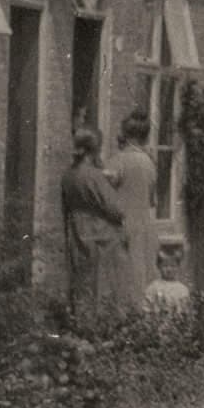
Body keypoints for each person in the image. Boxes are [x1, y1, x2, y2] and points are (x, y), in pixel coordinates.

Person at [59, 127, 123, 329]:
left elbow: (64, 207)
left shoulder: (68, 175)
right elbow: (116, 209)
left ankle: (80, 323)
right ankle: (100, 328)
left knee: (81, 279)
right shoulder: (94, 175)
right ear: (94, 150)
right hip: (99, 232)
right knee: (102, 282)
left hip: (76, 228)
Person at [105, 111, 160, 312]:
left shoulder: (118, 161)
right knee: (142, 277)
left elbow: (103, 192)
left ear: (125, 134)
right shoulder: (149, 163)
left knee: (121, 279)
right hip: (145, 228)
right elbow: (152, 199)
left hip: (123, 227)